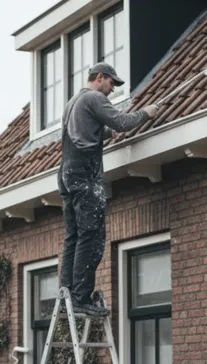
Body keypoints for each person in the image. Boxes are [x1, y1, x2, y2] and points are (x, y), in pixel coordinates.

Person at [58, 62, 161, 317]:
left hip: (66, 175)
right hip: (84, 177)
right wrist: (146, 113)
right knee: (90, 237)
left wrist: (103, 134)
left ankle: (66, 295)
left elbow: (84, 131)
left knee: (72, 237)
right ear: (100, 77)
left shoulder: (73, 102)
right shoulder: (94, 98)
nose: (112, 90)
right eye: (112, 83)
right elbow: (122, 122)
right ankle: (81, 298)